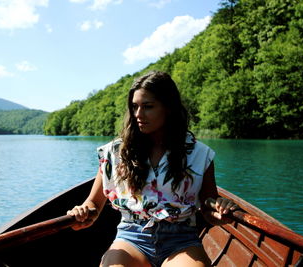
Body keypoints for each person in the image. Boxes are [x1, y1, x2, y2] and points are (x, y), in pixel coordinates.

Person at [67, 71, 239, 267]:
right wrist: (82, 212)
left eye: (148, 107)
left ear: (168, 108)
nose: (138, 114)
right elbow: (94, 205)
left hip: (181, 240)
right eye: (134, 107)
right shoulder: (115, 152)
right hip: (131, 237)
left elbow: (208, 207)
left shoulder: (199, 154)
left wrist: (219, 211)